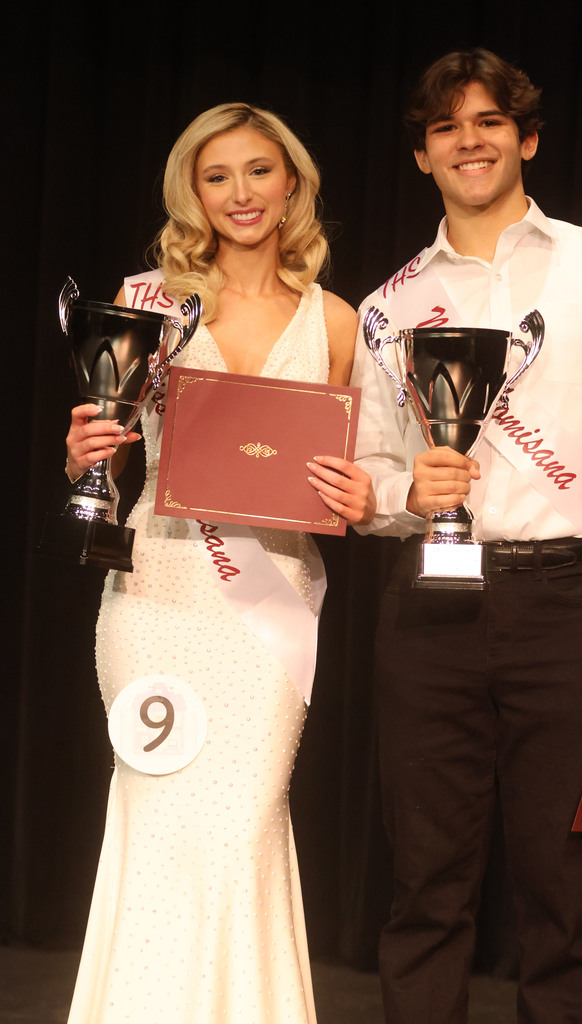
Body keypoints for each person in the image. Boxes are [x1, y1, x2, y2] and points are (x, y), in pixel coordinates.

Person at [350, 49, 582, 1024]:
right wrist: (405, 486)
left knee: (565, 892)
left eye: (486, 122)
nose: (467, 140)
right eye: (444, 127)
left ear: (525, 137)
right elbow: (366, 479)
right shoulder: (386, 307)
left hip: (568, 602)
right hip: (427, 603)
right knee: (426, 885)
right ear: (422, 156)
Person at [64, 102, 374, 1024]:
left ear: (293, 184)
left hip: (267, 609)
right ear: (191, 192)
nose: (241, 193)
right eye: (217, 175)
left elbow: (367, 467)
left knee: (242, 828)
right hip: (157, 589)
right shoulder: (145, 299)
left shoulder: (338, 321)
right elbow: (105, 452)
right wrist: (83, 453)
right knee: (157, 826)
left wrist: (363, 495)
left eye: (259, 171)